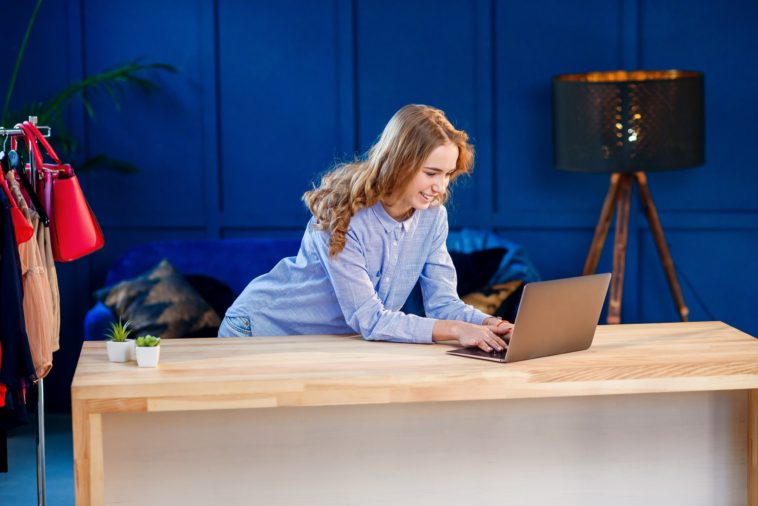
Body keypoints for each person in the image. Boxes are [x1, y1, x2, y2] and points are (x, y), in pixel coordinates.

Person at [219, 104, 511, 352]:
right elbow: (370, 319)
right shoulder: (344, 212)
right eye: (431, 173)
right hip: (260, 327)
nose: (441, 186)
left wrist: (489, 325)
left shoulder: (433, 217)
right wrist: (457, 331)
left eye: (448, 174)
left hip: (324, 344)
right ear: (400, 163)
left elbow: (442, 304)